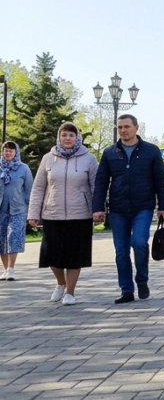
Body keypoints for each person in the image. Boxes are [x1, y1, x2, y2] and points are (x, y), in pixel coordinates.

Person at [92, 114, 164, 304]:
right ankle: (126, 289)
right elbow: (101, 181)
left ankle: (142, 280)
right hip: (118, 209)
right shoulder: (110, 152)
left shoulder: (151, 151)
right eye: (119, 127)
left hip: (143, 206)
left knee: (139, 243)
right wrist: (98, 207)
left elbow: (160, 179)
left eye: (127, 127)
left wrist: (163, 206)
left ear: (136, 128)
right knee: (121, 251)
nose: (123, 130)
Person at [28, 123, 97, 304]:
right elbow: (38, 188)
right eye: (64, 135)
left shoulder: (88, 159)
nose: (67, 138)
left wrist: (98, 210)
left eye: (71, 135)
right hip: (53, 213)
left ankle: (70, 292)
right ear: (59, 137)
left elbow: (96, 187)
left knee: (74, 255)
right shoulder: (48, 159)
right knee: (51, 254)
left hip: (80, 214)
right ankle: (61, 283)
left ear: (77, 138)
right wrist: (33, 213)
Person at [0, 141, 34, 280]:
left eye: (11, 151)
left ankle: (11, 268)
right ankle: (4, 269)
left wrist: (30, 209)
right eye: (5, 150)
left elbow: (29, 190)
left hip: (18, 208)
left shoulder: (23, 168)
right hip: (1, 209)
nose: (8, 153)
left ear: (16, 153)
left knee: (13, 237)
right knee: (1, 239)